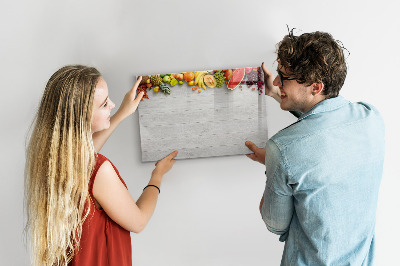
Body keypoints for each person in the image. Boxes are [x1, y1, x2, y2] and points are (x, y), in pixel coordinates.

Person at [245, 30, 385, 265]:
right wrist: (277, 94)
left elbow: (274, 224)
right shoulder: (371, 118)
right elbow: (324, 123)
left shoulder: (282, 149)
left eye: (284, 77)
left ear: (316, 87)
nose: (277, 81)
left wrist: (273, 163)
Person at [24, 65, 178, 266]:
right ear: (82, 117)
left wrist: (122, 113)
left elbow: (86, 157)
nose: (112, 104)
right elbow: (138, 221)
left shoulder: (53, 159)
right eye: (105, 104)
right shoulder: (100, 170)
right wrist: (157, 176)